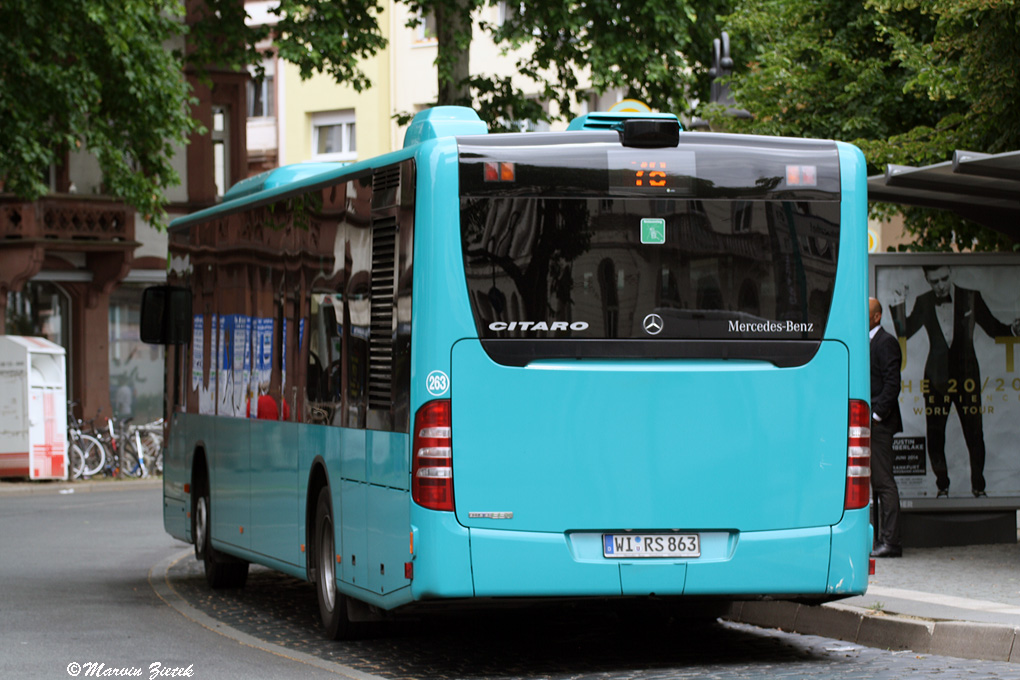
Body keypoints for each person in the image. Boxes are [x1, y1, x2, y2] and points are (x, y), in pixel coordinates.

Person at [890, 265, 1020, 498]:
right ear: (927, 280)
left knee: (975, 433)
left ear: (951, 272)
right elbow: (905, 332)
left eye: (944, 278)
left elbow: (992, 328)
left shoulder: (971, 296)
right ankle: (943, 486)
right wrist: (899, 304)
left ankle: (978, 487)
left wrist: (1012, 329)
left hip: (967, 374)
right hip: (936, 376)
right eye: (935, 281)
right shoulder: (924, 301)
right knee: (935, 433)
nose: (940, 285)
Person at [869, 297, 904, 558]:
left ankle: (890, 542)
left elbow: (893, 383)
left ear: (877, 316)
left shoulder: (886, 342)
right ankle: (880, 539)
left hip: (879, 424)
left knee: (883, 482)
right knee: (875, 483)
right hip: (871, 422)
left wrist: (876, 415)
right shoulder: (868, 342)